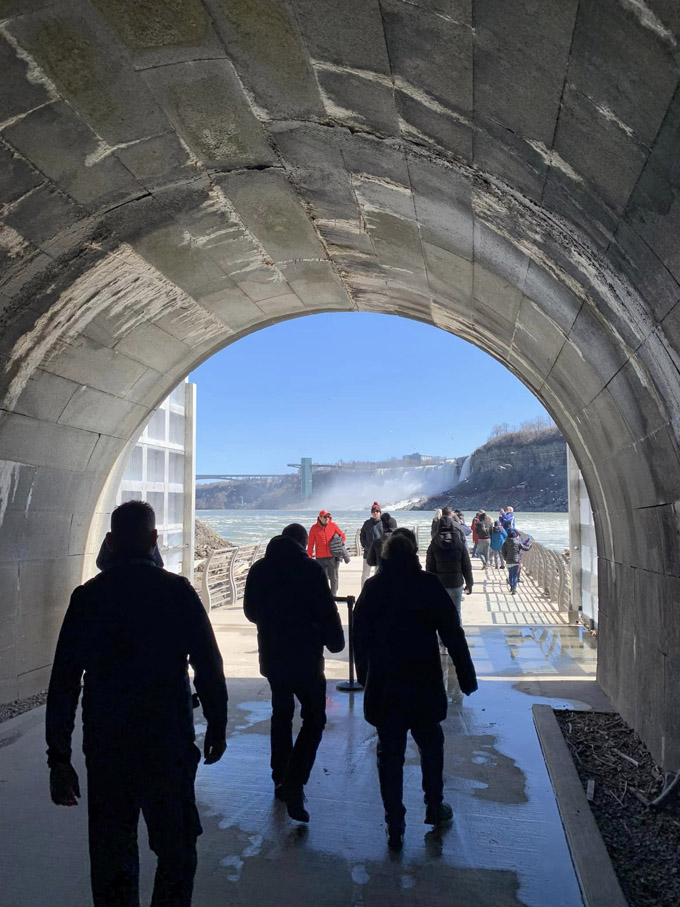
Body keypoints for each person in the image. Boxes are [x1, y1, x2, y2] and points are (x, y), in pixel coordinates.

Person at [46, 500, 228, 907]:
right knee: (177, 847)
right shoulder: (176, 592)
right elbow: (208, 665)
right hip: (168, 741)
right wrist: (217, 722)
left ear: (110, 541)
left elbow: (64, 682)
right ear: (153, 540)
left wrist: (59, 757)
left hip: (107, 745)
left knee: (112, 853)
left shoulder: (87, 598)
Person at [353, 529, 477, 850]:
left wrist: (365, 676)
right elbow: (452, 632)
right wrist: (465, 675)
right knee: (431, 745)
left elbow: (360, 638)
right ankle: (434, 806)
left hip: (386, 685)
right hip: (422, 683)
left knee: (389, 754)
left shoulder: (374, 588)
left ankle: (395, 823)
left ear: (385, 555)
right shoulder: (428, 585)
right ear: (415, 553)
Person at [244, 523, 344, 823]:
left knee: (281, 714)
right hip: (306, 659)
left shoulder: (259, 569)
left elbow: (250, 611)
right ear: (304, 543)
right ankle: (295, 781)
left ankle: (279, 777)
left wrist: (271, 623)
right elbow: (327, 611)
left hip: (273, 657)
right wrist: (334, 641)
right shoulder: (311, 570)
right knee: (314, 719)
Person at [425, 515, 473, 621]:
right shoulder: (459, 544)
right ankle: (457, 636)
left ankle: (441, 638)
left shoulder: (433, 545)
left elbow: (429, 567)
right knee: (456, 612)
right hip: (456, 583)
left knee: (441, 614)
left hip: (440, 584)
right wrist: (469, 583)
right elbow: (466, 565)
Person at [307, 509, 346, 595]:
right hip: (320, 558)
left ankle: (334, 595)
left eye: (328, 516)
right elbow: (310, 544)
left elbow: (342, 536)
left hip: (332, 557)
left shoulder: (333, 525)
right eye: (325, 517)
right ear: (320, 517)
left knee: (334, 577)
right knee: (321, 578)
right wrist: (309, 557)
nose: (327, 518)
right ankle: (324, 595)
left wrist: (340, 543)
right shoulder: (314, 528)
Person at [360, 502, 383, 586]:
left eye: (377, 511)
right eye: (373, 511)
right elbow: (362, 535)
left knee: (378, 575)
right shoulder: (367, 523)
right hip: (368, 552)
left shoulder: (383, 523)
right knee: (365, 574)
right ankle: (363, 593)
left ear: (380, 512)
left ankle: (377, 593)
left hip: (380, 553)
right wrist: (364, 545)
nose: (375, 513)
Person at [502, 529, 532, 594]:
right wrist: (530, 546)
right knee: (515, 575)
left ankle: (511, 586)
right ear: (515, 536)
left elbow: (503, 553)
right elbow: (525, 548)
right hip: (516, 561)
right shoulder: (518, 543)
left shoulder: (505, 543)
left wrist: (506, 558)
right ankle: (514, 588)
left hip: (508, 561)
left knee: (510, 574)